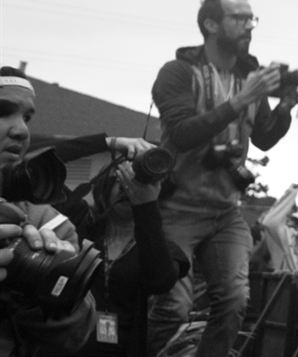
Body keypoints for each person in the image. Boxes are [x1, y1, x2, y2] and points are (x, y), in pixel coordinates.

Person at [146, 0, 298, 357]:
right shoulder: (178, 72)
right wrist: (242, 100)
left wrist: (285, 107)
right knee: (174, 308)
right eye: (239, 17)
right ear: (211, 24)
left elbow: (263, 139)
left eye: (252, 18)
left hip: (225, 210)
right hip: (175, 208)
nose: (249, 25)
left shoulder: (249, 77)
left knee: (234, 302)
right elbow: (182, 134)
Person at [0, 67, 97, 356]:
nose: (21, 130)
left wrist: (44, 291)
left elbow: (78, 335)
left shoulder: (49, 224)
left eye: (27, 118)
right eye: (2, 111)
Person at [79, 160, 188, 357]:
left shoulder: (162, 248)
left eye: (134, 187)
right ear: (105, 189)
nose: (126, 190)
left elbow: (160, 281)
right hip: (72, 344)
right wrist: (109, 142)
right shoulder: (83, 231)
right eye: (120, 183)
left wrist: (145, 206)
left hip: (127, 348)